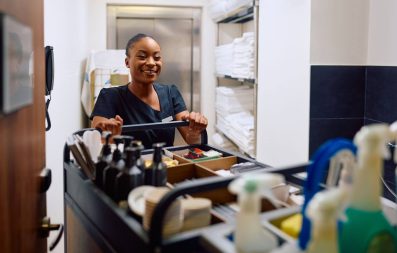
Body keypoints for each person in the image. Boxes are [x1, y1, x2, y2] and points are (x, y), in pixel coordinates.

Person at [90, 33, 208, 148]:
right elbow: (95, 144)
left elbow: (191, 139)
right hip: (128, 166)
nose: (152, 63)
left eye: (157, 57)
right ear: (127, 62)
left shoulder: (170, 93)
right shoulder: (110, 97)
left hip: (164, 165)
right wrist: (109, 137)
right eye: (142, 56)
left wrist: (195, 130)